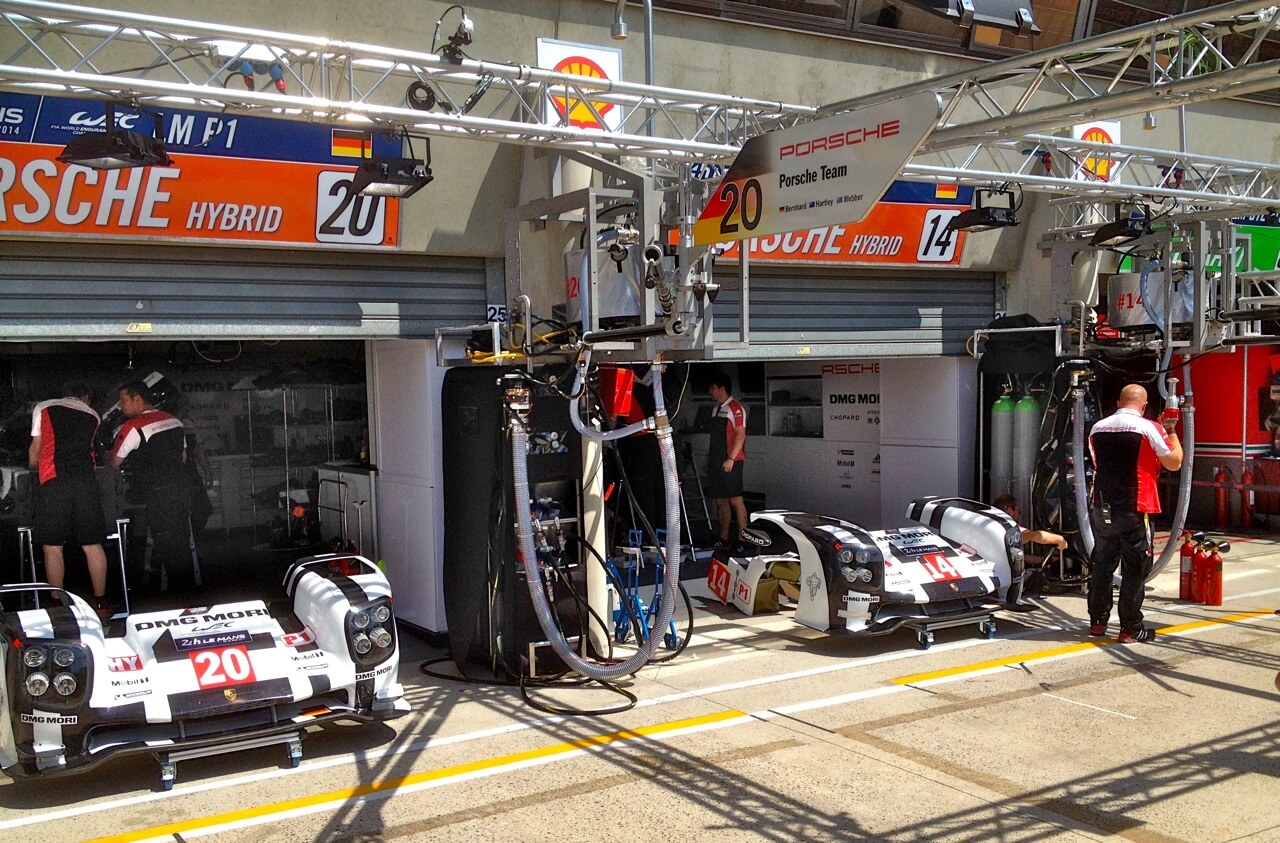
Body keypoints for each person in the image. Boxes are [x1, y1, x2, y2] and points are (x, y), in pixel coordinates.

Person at [1087, 383, 1183, 644]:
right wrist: (1171, 430)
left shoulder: (1097, 428)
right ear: (1144, 406)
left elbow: (1097, 463)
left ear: (1119, 403)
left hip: (1102, 505)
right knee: (1135, 567)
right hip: (1135, 505)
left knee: (1103, 563)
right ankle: (1131, 628)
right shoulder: (1149, 427)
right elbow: (1174, 462)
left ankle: (1097, 622)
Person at [28, 380, 112, 618]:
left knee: (53, 547)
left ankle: (57, 605)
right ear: (86, 397)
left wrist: (33, 468)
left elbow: (36, 447)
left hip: (54, 480)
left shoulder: (43, 407)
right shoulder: (93, 415)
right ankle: (100, 603)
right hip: (86, 482)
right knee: (92, 544)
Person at [110, 380, 191, 588]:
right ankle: (189, 590)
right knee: (181, 543)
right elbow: (182, 456)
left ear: (138, 399)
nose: (120, 406)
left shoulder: (133, 426)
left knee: (166, 546)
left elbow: (114, 461)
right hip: (182, 489)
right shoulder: (174, 421)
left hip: (157, 493)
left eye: (123, 401)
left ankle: (179, 595)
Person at [706, 372, 747, 551]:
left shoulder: (735, 408)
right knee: (721, 501)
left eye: (713, 388)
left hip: (732, 462)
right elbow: (714, 439)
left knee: (736, 500)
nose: (710, 392)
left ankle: (742, 539)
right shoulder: (715, 409)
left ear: (722, 388)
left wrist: (731, 458)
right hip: (716, 461)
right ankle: (723, 538)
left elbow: (740, 435)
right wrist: (708, 458)